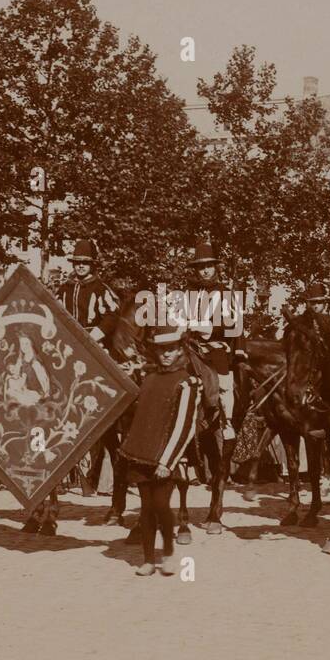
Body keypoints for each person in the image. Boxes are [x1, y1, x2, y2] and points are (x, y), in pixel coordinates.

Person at [118, 324, 202, 576]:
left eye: (171, 349)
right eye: (161, 349)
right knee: (146, 509)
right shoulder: (149, 378)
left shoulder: (187, 383)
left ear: (179, 350)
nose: (166, 354)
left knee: (161, 506)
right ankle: (147, 560)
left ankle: (167, 553)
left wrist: (167, 461)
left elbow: (184, 426)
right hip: (141, 454)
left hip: (165, 458)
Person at [183, 240, 241, 440]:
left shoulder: (225, 292)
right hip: (190, 345)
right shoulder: (189, 293)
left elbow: (232, 323)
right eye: (201, 267)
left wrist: (206, 327)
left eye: (208, 266)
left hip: (215, 345)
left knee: (224, 383)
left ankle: (227, 422)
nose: (205, 271)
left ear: (215, 268)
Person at [57, 239, 119, 342]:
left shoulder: (99, 289)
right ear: (73, 264)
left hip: (92, 341)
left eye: (85, 263)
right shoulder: (65, 288)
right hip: (67, 339)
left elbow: (112, 316)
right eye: (77, 262)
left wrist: (93, 336)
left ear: (91, 265)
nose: (81, 266)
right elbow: (55, 309)